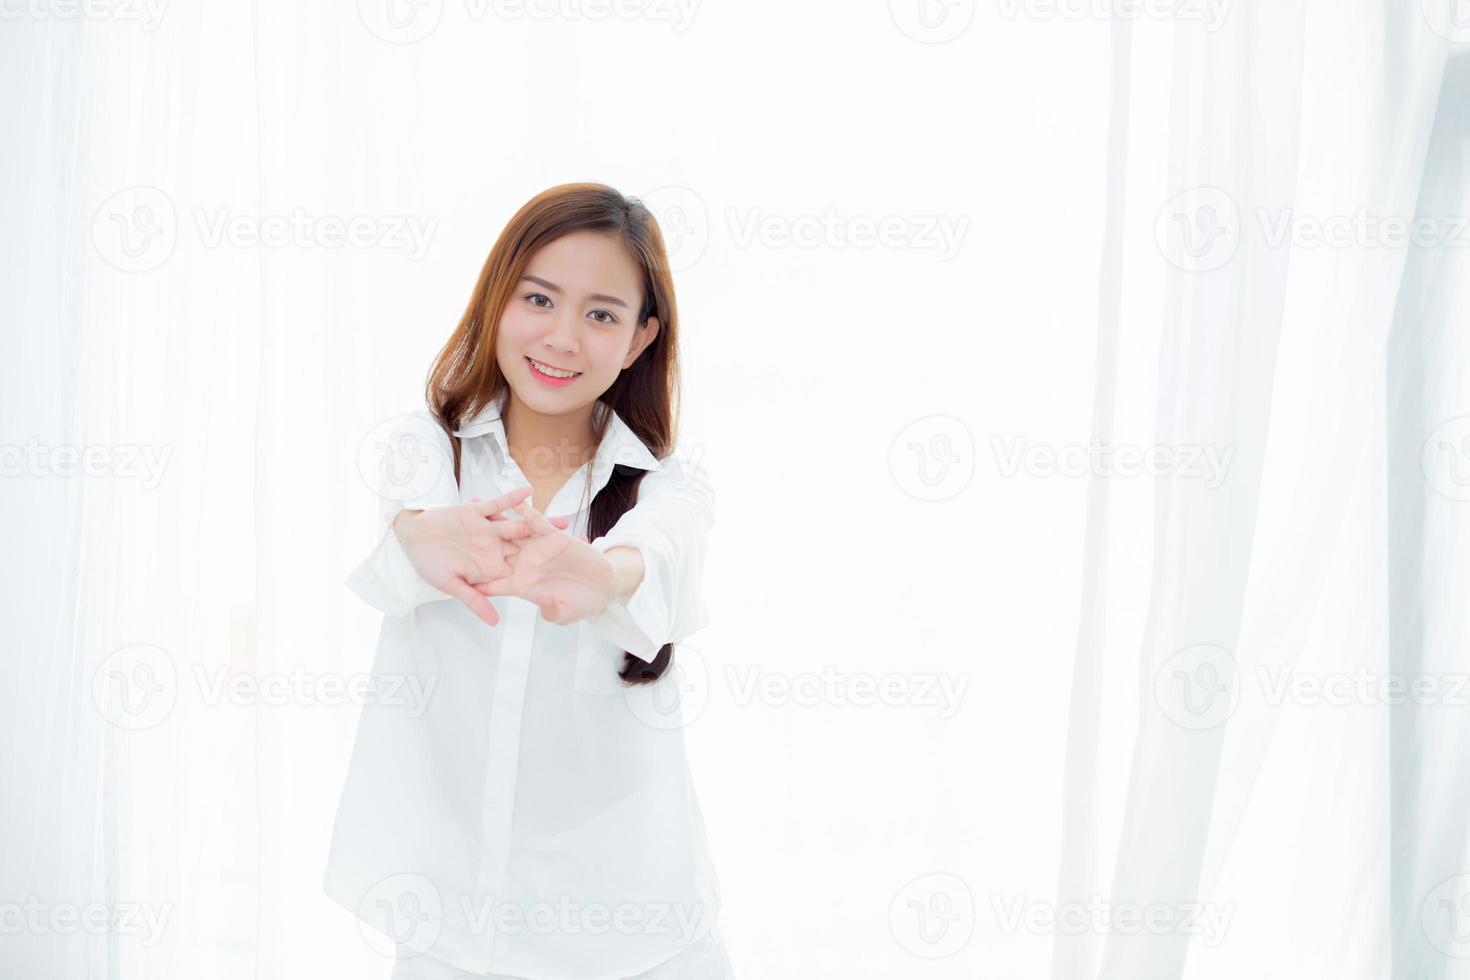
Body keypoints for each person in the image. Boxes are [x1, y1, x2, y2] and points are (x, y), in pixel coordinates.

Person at [323, 183, 732, 979]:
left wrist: (605, 577)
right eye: (539, 298)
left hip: (637, 938)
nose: (562, 339)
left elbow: (661, 553)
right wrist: (415, 539)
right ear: (498, 295)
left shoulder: (670, 490)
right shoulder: (426, 452)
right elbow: (411, 524)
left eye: (602, 314)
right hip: (454, 937)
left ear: (642, 337)